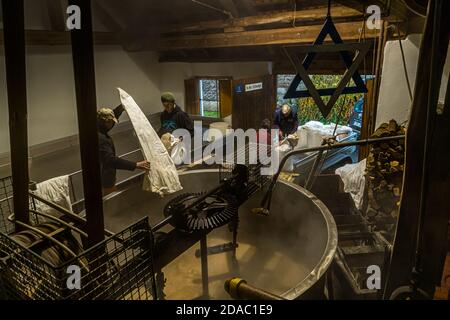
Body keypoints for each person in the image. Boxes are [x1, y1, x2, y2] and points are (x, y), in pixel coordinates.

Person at [97, 105, 150, 195]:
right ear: (105, 122)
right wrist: (135, 165)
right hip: (105, 179)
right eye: (111, 122)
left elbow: (111, 115)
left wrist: (122, 106)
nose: (113, 125)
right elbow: (110, 160)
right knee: (108, 200)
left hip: (100, 175)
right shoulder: (102, 139)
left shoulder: (96, 126)